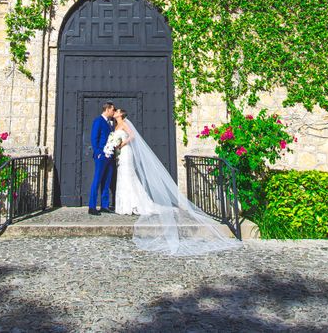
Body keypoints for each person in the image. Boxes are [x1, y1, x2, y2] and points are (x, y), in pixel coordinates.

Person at [112, 108, 242, 256]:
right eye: (114, 111)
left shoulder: (124, 124)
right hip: (121, 155)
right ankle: (124, 204)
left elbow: (132, 136)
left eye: (117, 111)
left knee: (129, 177)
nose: (115, 112)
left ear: (121, 114)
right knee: (124, 178)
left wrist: (122, 144)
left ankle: (132, 204)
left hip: (126, 152)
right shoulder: (115, 125)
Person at [87, 101, 116, 215]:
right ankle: (92, 207)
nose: (113, 112)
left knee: (107, 181)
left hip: (110, 156)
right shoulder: (98, 121)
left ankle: (104, 205)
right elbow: (94, 138)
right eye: (113, 110)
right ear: (107, 109)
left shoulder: (110, 123)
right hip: (101, 156)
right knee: (97, 181)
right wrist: (99, 153)